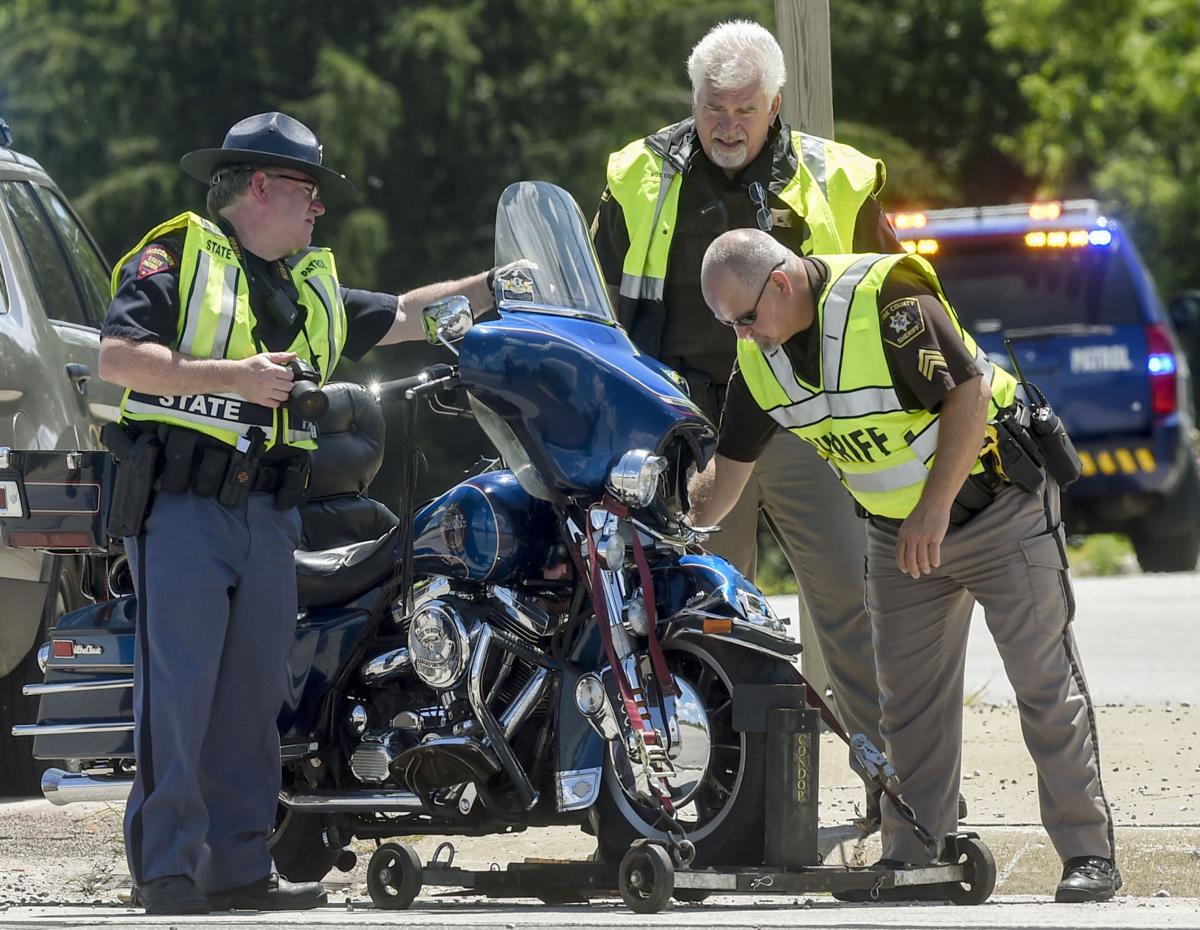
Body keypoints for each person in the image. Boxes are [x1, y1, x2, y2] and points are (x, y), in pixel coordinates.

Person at [97, 112, 498, 916]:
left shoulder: (305, 283)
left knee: (252, 700)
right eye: (308, 193)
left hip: (272, 516)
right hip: (185, 509)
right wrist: (236, 378)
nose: (319, 211)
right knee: (178, 699)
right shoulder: (173, 255)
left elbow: (406, 315)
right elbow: (117, 359)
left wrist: (496, 286)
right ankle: (168, 873)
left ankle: (237, 869)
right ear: (260, 187)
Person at [690, 227, 1120, 904]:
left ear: (780, 283)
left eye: (746, 319)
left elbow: (970, 395)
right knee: (908, 709)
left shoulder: (885, 300)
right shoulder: (760, 364)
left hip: (994, 503)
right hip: (899, 537)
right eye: (727, 325)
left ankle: (1088, 852)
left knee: (1042, 681)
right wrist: (662, 497)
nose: (743, 337)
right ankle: (918, 857)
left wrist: (935, 508)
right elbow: (722, 485)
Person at [592, 18, 903, 825]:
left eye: (743, 109)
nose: (726, 124)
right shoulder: (636, 174)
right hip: (687, 426)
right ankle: (718, 802)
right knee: (702, 615)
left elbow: (894, 294)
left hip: (809, 424)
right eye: (711, 106)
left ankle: (895, 789)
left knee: (845, 604)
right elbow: (593, 302)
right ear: (693, 98)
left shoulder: (839, 176)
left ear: (775, 105)